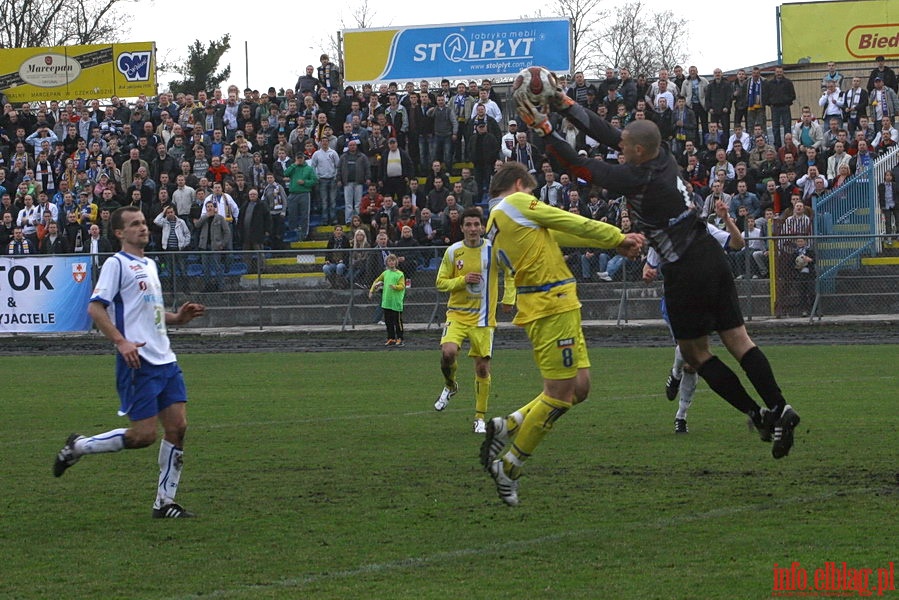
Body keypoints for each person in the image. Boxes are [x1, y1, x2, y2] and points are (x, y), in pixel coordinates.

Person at [514, 72, 801, 461]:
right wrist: (565, 104)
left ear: (638, 152)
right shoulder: (660, 155)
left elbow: (584, 169)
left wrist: (546, 132)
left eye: (625, 149)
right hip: (710, 255)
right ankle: (780, 406)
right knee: (739, 340)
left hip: (684, 268)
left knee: (696, 353)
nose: (619, 151)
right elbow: (609, 134)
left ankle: (757, 415)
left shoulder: (638, 179)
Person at [478, 161, 644, 506]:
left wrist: (612, 246)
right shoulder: (516, 203)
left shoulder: (499, 219)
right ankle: (509, 466)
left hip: (556, 304)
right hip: (550, 305)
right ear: (521, 183)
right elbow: (567, 220)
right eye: (533, 190)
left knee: (579, 388)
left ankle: (508, 424)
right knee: (559, 394)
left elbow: (560, 233)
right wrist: (617, 235)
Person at [53, 205, 206, 519]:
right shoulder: (116, 264)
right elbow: (96, 310)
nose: (143, 227)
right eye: (135, 224)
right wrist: (121, 341)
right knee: (143, 436)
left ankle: (165, 502)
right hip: (139, 361)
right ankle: (79, 446)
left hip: (166, 359)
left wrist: (177, 317)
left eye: (144, 222)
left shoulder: (149, 264)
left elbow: (149, 311)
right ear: (120, 233)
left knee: (178, 428)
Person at [645, 199, 745, 434]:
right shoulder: (662, 235)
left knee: (693, 364)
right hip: (675, 303)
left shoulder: (706, 230)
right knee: (689, 352)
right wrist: (648, 271)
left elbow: (738, 243)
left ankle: (681, 413)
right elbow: (649, 266)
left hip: (703, 303)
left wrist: (727, 219)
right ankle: (675, 375)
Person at [434, 207, 515, 433]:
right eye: (468, 225)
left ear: (482, 227)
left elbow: (510, 272)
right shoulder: (453, 252)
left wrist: (509, 298)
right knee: (448, 352)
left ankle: (479, 417)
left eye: (476, 225)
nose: (472, 229)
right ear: (461, 228)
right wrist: (461, 280)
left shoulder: (493, 250)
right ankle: (450, 385)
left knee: (482, 368)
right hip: (457, 314)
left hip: (483, 318)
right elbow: (440, 283)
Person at [368, 253, 406, 346]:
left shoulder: (399, 274)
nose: (391, 262)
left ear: (396, 262)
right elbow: (377, 281)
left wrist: (395, 287)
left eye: (393, 260)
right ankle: (391, 338)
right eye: (389, 261)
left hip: (396, 301)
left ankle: (400, 338)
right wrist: (372, 290)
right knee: (388, 321)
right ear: (387, 263)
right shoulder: (385, 273)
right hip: (386, 301)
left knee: (397, 321)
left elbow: (402, 286)